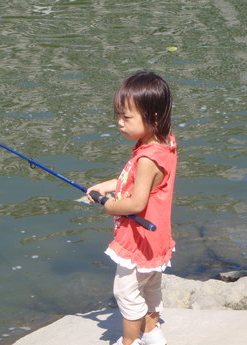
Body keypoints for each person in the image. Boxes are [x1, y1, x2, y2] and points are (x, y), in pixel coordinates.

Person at [87, 71, 177, 345]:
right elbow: (142, 184)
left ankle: (129, 342)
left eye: (127, 118)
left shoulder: (147, 159)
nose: (119, 123)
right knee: (150, 288)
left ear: (155, 117)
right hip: (157, 237)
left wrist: (111, 206)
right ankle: (151, 333)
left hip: (138, 240)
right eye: (118, 115)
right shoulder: (164, 144)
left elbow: (137, 202)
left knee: (126, 292)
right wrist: (108, 185)